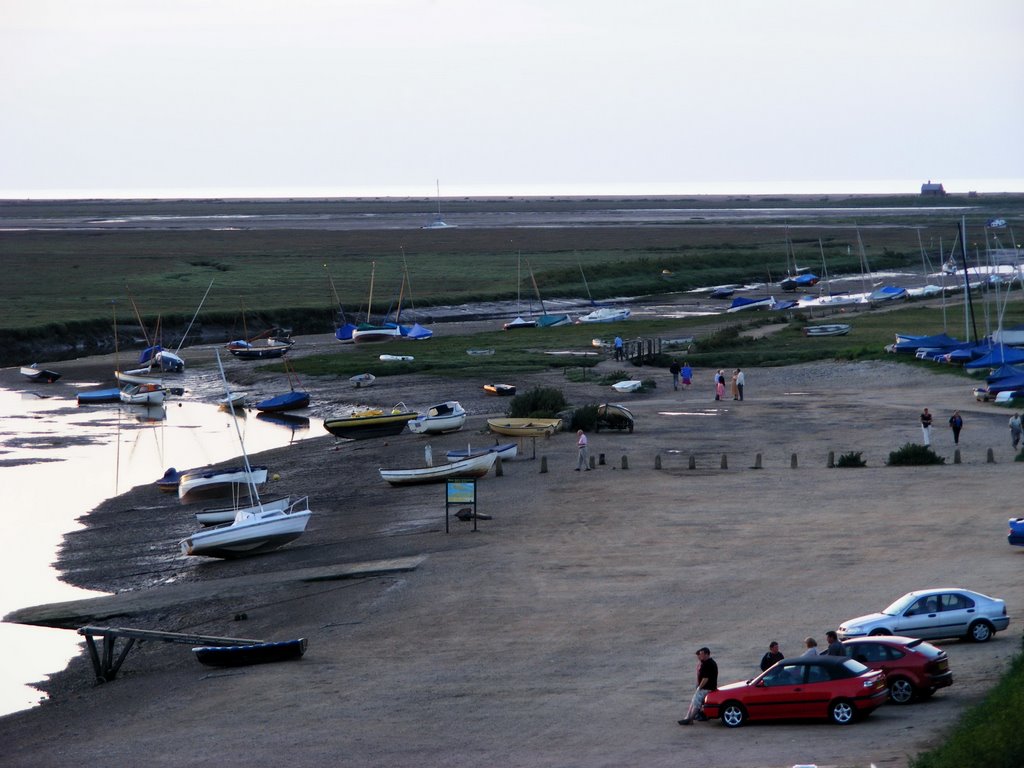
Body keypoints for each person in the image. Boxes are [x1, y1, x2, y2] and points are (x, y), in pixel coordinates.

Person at [678, 647, 718, 725]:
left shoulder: (707, 664)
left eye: (701, 654)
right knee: (694, 701)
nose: (700, 656)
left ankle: (690, 719)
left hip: (706, 688)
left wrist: (699, 687)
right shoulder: (709, 663)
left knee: (696, 703)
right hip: (708, 687)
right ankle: (688, 718)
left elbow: (705, 678)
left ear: (706, 654)